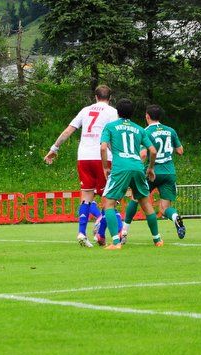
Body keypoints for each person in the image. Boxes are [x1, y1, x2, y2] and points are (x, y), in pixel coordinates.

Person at [44, 85, 118, 247]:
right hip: (103, 157)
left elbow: (68, 131)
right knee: (108, 198)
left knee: (86, 196)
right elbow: (113, 137)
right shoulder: (112, 112)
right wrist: (119, 155)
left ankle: (82, 233)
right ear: (110, 98)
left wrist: (54, 149)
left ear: (95, 97)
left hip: (84, 157)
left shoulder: (85, 110)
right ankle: (101, 232)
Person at [99, 99, 161, 249]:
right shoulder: (139, 129)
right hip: (137, 167)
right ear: (132, 113)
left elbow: (103, 148)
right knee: (146, 204)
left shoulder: (110, 126)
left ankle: (115, 242)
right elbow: (153, 151)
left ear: (117, 112)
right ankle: (158, 240)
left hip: (120, 168)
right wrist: (150, 168)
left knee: (108, 203)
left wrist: (105, 167)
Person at [120, 105, 186, 242]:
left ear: (147, 116)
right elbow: (180, 151)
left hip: (152, 172)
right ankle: (175, 217)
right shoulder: (170, 130)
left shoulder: (145, 132)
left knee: (135, 198)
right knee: (164, 208)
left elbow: (143, 154)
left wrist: (137, 167)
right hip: (169, 173)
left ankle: (124, 232)